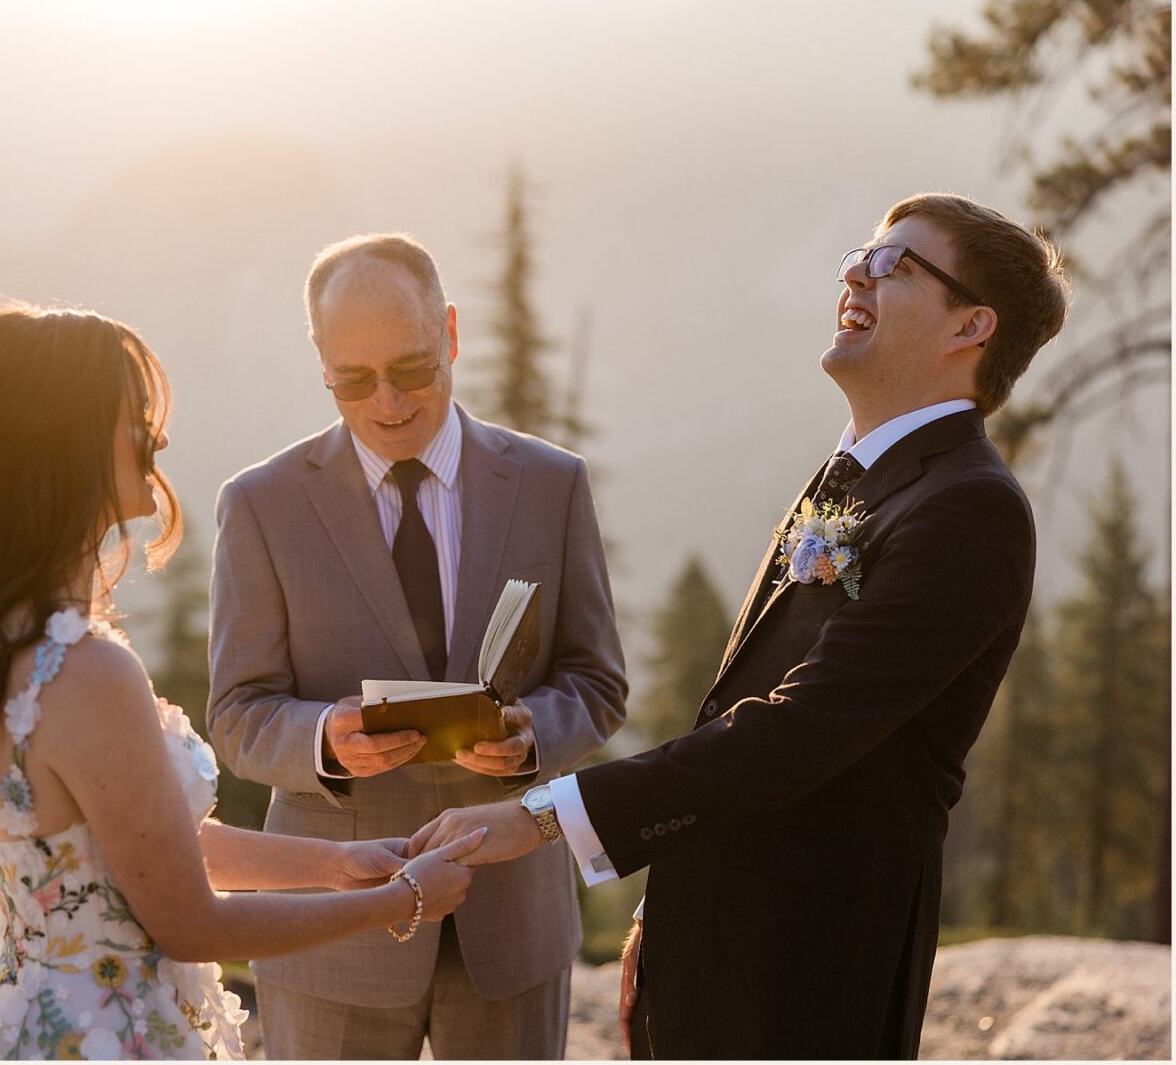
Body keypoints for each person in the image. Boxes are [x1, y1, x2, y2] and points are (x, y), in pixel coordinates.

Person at [408, 193, 1072, 1059]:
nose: (852, 274)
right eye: (860, 253)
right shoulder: (852, 477)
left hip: (812, 967)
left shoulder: (970, 508)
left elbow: (801, 728)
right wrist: (665, 901)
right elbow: (738, 707)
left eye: (894, 265)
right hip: (716, 939)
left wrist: (542, 814)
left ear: (970, 327)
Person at [0, 305, 484, 1060]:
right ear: (74, 443)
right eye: (135, 419)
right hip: (98, 1035)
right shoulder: (87, 672)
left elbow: (135, 848)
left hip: (4, 1021)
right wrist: (403, 901)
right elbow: (190, 922)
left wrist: (336, 865)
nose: (159, 439)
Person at [206, 234, 628, 1059]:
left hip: (513, 922)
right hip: (332, 934)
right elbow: (236, 713)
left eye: (413, 369)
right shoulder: (260, 506)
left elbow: (598, 683)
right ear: (320, 363)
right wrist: (322, 740)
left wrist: (533, 736)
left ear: (453, 336)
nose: (388, 402)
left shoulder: (550, 484)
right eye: (354, 381)